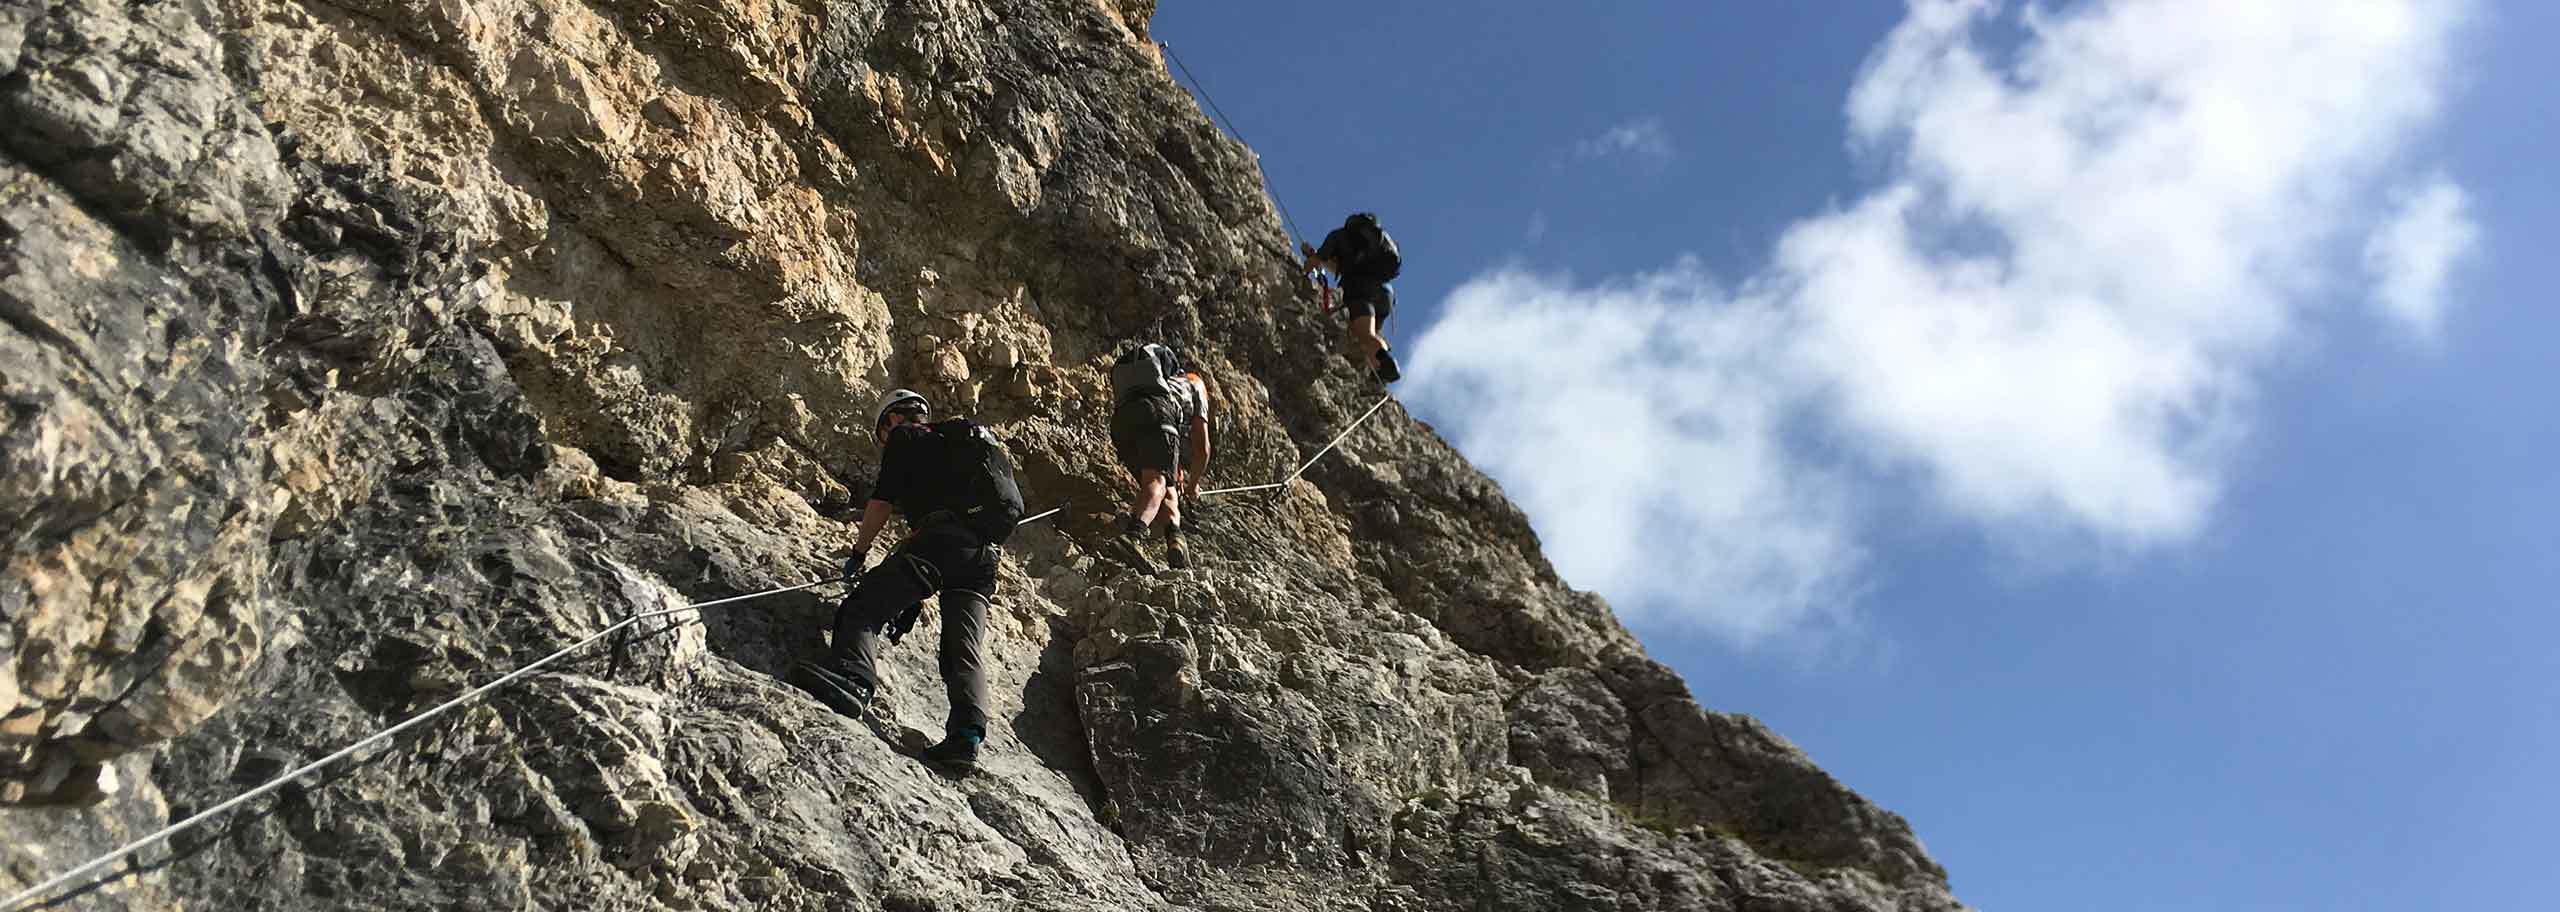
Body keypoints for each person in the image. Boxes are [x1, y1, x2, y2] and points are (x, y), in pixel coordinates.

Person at [788, 389, 1022, 774]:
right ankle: (966, 738)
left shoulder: (906, 436)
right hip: (984, 558)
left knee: (864, 606)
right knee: (963, 649)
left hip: (941, 541)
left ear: (893, 419)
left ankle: (854, 680)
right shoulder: (965, 445)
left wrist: (859, 553)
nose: (885, 440)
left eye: (883, 432)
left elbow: (882, 501)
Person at [1106, 343, 1211, 570]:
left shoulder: (1159, 382)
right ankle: (1133, 536)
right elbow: (1202, 449)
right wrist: (1193, 486)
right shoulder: (1195, 383)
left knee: (1166, 485)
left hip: (1123, 419)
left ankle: (1175, 540)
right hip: (1157, 413)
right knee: (1157, 482)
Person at [1302, 212, 1403, 383]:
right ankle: (1379, 371)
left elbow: (1316, 262)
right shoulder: (1370, 250)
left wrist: (1305, 268)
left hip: (1361, 290)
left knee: (1366, 335)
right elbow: (1337, 266)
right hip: (1385, 294)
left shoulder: (1337, 236)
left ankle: (1388, 368)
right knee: (1370, 336)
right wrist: (1315, 255)